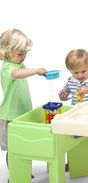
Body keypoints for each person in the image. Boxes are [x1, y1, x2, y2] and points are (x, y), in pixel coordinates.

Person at [0, 29, 47, 171]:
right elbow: (16, 74)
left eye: (25, 53)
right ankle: (14, 174)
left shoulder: (20, 65)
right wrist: (36, 71)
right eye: (20, 54)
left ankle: (23, 172)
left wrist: (40, 74)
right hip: (10, 116)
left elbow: (21, 71)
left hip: (22, 114)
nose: (24, 57)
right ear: (7, 52)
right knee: (13, 148)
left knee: (24, 144)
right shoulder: (7, 67)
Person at [59, 49, 88, 172]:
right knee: (74, 139)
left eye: (83, 71)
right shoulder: (70, 81)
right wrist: (62, 96)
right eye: (76, 72)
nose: (80, 75)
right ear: (70, 71)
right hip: (76, 115)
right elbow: (65, 94)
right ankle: (73, 161)